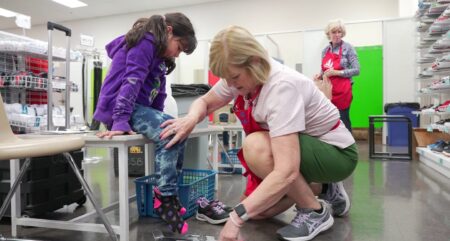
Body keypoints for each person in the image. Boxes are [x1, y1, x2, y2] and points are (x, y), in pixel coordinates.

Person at [160, 25, 358, 241]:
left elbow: (286, 171)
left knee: (255, 147)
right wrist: (190, 119)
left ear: (254, 61)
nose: (230, 85)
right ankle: (322, 187)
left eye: (234, 77)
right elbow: (205, 102)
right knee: (260, 212)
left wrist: (236, 218)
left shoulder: (281, 87)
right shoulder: (242, 76)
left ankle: (314, 211)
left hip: (337, 153)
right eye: (226, 79)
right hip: (309, 147)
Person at [93, 12, 197, 234]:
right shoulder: (145, 42)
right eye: (179, 47)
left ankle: (170, 193)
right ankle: (165, 196)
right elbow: (132, 80)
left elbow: (157, 92)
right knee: (170, 131)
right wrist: (119, 121)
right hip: (119, 107)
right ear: (169, 30)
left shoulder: (159, 55)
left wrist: (157, 119)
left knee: (178, 128)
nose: (178, 55)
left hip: (137, 109)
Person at [314, 19, 360, 132]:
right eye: (334, 32)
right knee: (330, 122)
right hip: (328, 92)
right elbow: (324, 69)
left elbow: (357, 70)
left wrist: (337, 72)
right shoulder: (325, 51)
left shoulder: (348, 48)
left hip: (343, 92)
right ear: (329, 34)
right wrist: (319, 76)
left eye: (339, 32)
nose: (337, 35)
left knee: (343, 121)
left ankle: (349, 148)